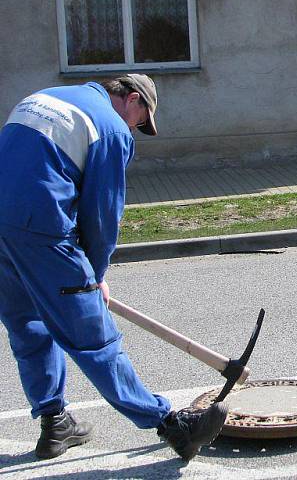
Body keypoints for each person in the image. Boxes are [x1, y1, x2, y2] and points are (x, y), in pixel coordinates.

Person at [0, 75, 228, 461]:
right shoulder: (108, 128)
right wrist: (95, 276)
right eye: (140, 121)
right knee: (95, 338)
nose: (134, 129)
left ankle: (55, 423)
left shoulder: (45, 97)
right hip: (42, 232)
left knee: (29, 326)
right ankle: (174, 426)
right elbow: (103, 215)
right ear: (132, 99)